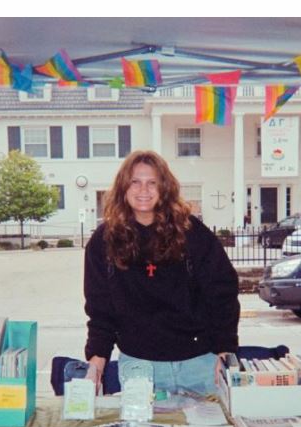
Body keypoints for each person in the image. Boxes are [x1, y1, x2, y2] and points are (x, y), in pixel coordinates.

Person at [84, 150, 240, 396]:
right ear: (123, 188)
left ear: (164, 188)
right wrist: (96, 361)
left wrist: (225, 351)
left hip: (200, 364)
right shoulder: (103, 242)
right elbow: (100, 309)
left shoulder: (193, 233)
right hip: (139, 367)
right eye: (135, 182)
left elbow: (222, 293)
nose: (143, 190)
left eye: (152, 182)